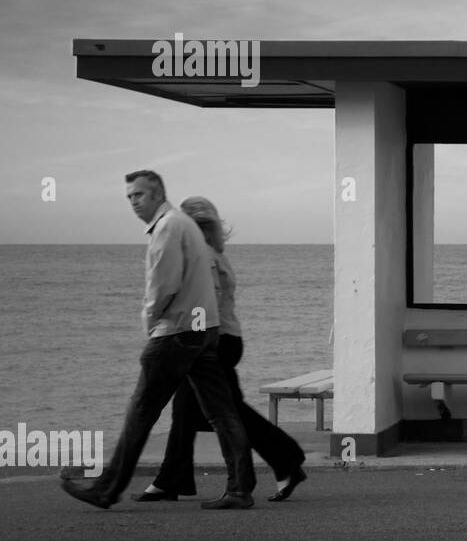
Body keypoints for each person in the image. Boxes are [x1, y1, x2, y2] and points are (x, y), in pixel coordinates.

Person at [61, 171, 256, 509]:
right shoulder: (187, 226)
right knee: (222, 413)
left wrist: (150, 324)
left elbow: (163, 287)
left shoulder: (167, 228)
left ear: (156, 194)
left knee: (141, 412)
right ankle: (240, 489)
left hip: (176, 334)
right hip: (203, 332)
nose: (133, 202)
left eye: (138, 195)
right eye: (129, 197)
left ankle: (106, 489)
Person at [132, 198, 308, 503]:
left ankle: (282, 462)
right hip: (223, 338)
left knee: (224, 412)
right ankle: (171, 480)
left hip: (212, 341)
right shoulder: (215, 253)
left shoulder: (202, 256)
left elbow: (205, 302)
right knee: (187, 412)